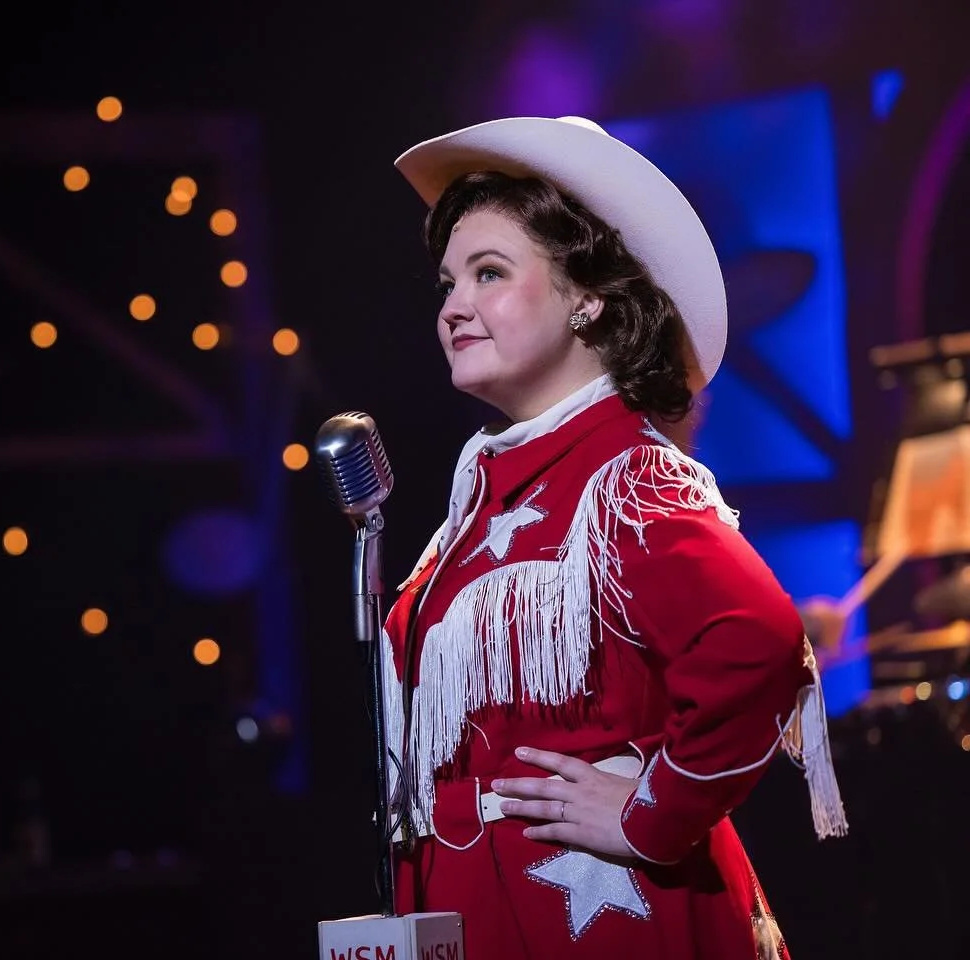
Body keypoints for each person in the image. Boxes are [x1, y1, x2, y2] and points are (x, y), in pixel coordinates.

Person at [377, 115, 849, 959]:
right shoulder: (486, 495)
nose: (454, 307)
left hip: (603, 921)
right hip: (482, 914)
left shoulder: (625, 482)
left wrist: (652, 813)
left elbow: (762, 646)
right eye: (447, 283)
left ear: (587, 297)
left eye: (489, 273)